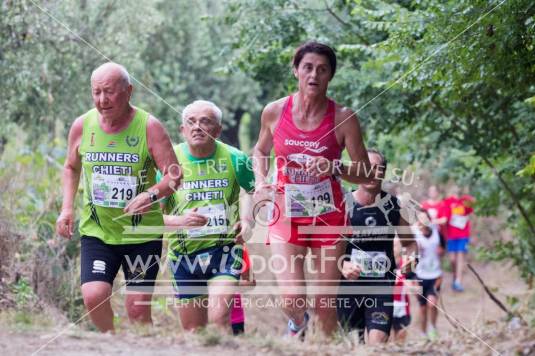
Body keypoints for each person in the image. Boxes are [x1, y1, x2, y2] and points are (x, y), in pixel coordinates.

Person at [252, 41, 374, 337]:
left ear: (330, 75)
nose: (314, 75)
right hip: (286, 215)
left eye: (322, 69)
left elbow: (366, 174)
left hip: (328, 218)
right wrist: (260, 181)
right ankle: (297, 325)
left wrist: (333, 167)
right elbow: (259, 151)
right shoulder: (274, 112)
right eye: (307, 67)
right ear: (296, 70)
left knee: (324, 304)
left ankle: (325, 347)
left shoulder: (344, 118)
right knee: (292, 298)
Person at [55, 62, 181, 333]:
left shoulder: (149, 127)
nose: (103, 100)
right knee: (94, 296)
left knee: (136, 308)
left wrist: (150, 194)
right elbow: (70, 166)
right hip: (98, 231)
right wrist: (66, 209)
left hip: (141, 235)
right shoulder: (82, 125)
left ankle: (143, 347)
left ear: (129, 91)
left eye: (110, 92)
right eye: (97, 92)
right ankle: (110, 343)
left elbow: (174, 176)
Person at [160, 100, 255, 332]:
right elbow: (152, 216)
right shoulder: (167, 162)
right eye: (190, 122)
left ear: (218, 130)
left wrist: (247, 220)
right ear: (182, 130)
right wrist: (179, 221)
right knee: (195, 332)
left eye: (205, 121)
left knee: (218, 318)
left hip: (224, 251)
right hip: (184, 256)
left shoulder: (236, 158)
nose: (197, 127)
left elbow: (251, 191)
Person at [337, 149, 417, 345]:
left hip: (381, 287)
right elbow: (324, 247)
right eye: (365, 169)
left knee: (377, 343)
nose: (372, 174)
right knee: (353, 345)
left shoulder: (395, 206)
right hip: (348, 289)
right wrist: (342, 265)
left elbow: (410, 244)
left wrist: (412, 259)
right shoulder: (342, 205)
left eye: (377, 169)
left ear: (383, 172)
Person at [414, 212, 445, 340]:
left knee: (432, 304)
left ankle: (433, 328)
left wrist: (441, 251)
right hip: (419, 275)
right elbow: (408, 257)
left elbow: (443, 249)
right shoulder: (414, 235)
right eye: (420, 219)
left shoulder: (437, 233)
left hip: (435, 275)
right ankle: (423, 333)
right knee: (422, 308)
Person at [442, 187, 475, 292]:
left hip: (463, 235)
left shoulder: (463, 202)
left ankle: (458, 282)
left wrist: (464, 197)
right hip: (451, 235)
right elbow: (444, 215)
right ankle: (455, 276)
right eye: (453, 191)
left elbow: (472, 204)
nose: (454, 193)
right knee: (452, 259)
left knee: (460, 258)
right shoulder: (447, 203)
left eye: (456, 191)